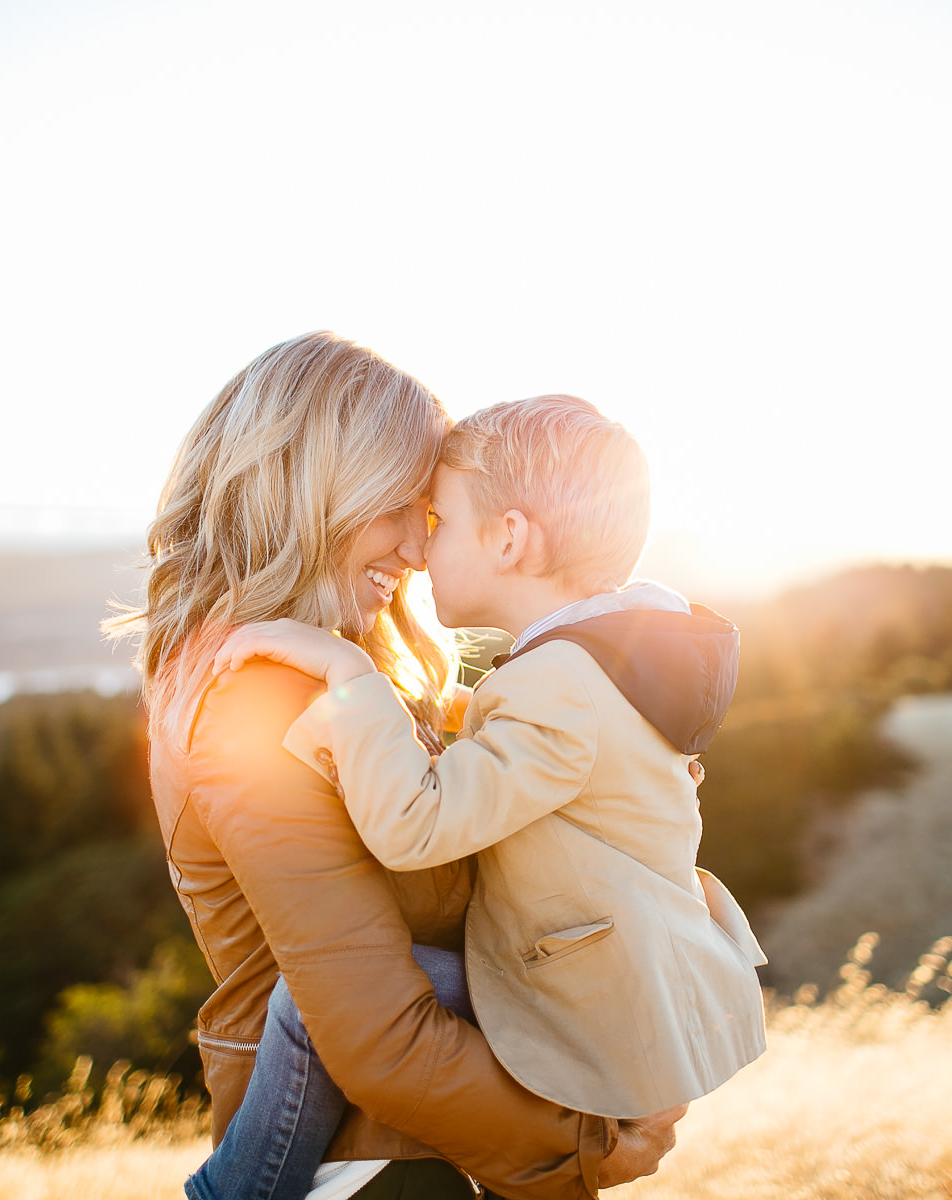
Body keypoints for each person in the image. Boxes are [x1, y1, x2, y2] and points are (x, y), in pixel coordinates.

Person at [107, 334, 681, 1200]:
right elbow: (378, 1034)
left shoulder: (329, 683)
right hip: (361, 1169)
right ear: (315, 491)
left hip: (416, 1153)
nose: (417, 548)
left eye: (431, 514)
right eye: (398, 507)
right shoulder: (259, 703)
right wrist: (586, 1147)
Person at [203, 394, 768, 1198]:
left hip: (582, 994)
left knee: (311, 1007)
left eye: (438, 518)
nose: (420, 548)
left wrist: (349, 673)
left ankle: (228, 1194)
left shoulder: (559, 685)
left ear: (509, 538)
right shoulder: (610, 661)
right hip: (610, 975)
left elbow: (414, 825)